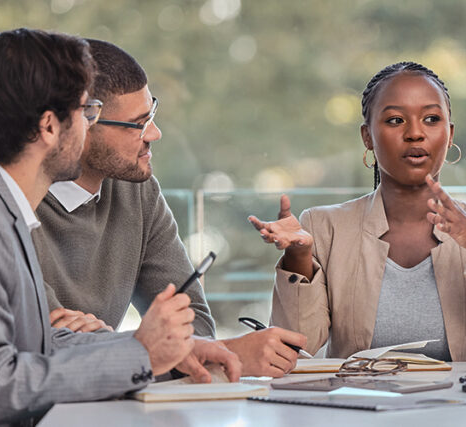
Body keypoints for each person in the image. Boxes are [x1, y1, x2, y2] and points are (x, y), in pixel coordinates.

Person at [0, 29, 240, 426]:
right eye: (85, 112)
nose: (87, 127)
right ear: (49, 127)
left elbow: (38, 348)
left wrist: (166, 350)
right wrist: (140, 354)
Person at [27, 39, 306, 377]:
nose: (155, 134)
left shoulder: (138, 190)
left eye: (152, 115)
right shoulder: (10, 201)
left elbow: (197, 326)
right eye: (138, 123)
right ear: (82, 124)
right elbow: (42, 347)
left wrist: (109, 344)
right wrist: (218, 352)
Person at [248, 62, 466, 360]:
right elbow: (295, 353)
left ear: (450, 135)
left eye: (431, 118)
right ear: (367, 137)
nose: (415, 133)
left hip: (463, 405)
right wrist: (298, 258)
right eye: (396, 120)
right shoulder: (322, 226)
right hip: (356, 403)